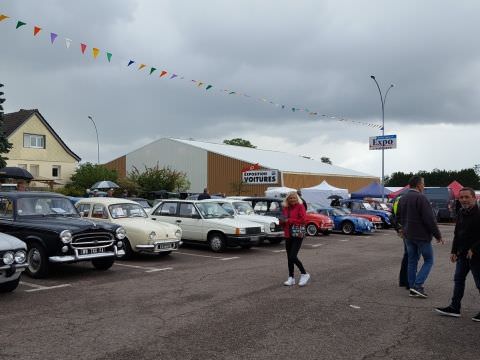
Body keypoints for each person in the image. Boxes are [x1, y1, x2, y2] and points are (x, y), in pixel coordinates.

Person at [435, 187, 480, 321]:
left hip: (477, 255)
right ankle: (455, 308)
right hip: (462, 254)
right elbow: (457, 233)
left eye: (467, 197)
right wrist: (454, 251)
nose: (464, 200)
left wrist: (475, 249)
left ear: (474, 198)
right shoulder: (460, 212)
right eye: (461, 197)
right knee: (459, 280)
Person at [397, 175, 443, 298]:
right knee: (429, 260)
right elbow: (429, 219)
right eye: (423, 184)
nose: (424, 186)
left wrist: (402, 229)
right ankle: (417, 286)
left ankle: (413, 287)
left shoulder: (402, 198)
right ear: (418, 185)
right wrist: (438, 235)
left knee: (412, 261)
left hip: (408, 236)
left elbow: (399, 217)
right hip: (421, 236)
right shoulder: (421, 198)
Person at [281, 191, 310, 287]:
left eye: (294, 198)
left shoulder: (300, 207)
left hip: (297, 234)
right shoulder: (285, 208)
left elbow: (303, 220)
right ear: (287, 199)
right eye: (290, 198)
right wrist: (281, 221)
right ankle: (291, 278)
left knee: (293, 256)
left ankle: (304, 274)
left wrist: (289, 220)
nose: (292, 199)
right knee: (289, 257)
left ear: (297, 198)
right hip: (288, 234)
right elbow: (283, 220)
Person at [392, 195, 409, 290]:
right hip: (406, 229)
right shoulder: (402, 200)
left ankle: (403, 280)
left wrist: (398, 229)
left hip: (402, 229)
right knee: (410, 255)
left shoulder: (398, 200)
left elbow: (394, 215)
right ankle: (406, 281)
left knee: (407, 254)